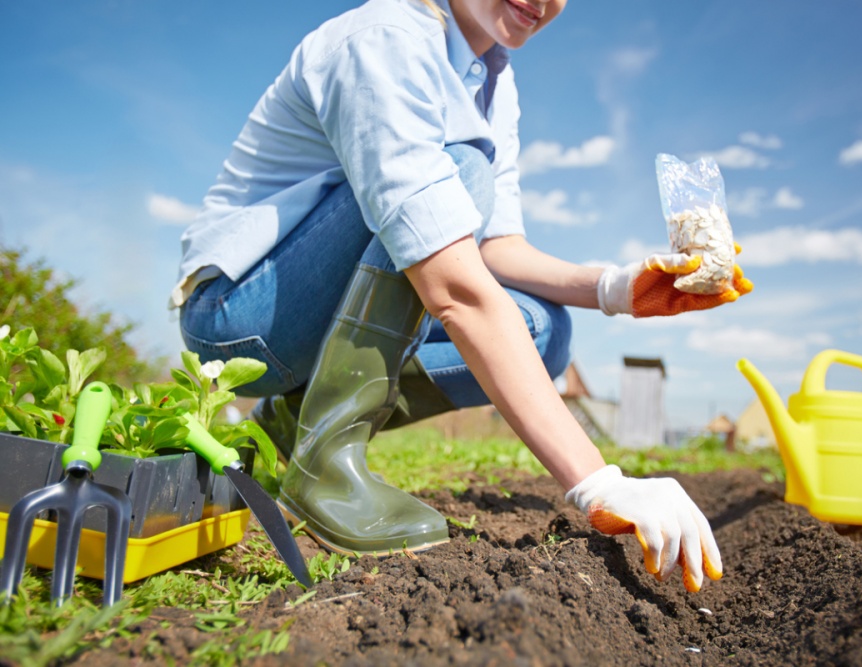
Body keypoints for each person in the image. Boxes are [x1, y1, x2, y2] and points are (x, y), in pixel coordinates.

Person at [172, 0, 752, 592]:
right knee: (462, 171)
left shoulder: (494, 81)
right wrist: (598, 482)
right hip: (241, 319)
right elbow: (453, 282)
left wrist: (617, 289)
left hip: (314, 307)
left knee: (543, 329)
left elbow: (496, 244)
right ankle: (326, 468)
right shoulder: (385, 39)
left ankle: (294, 426)